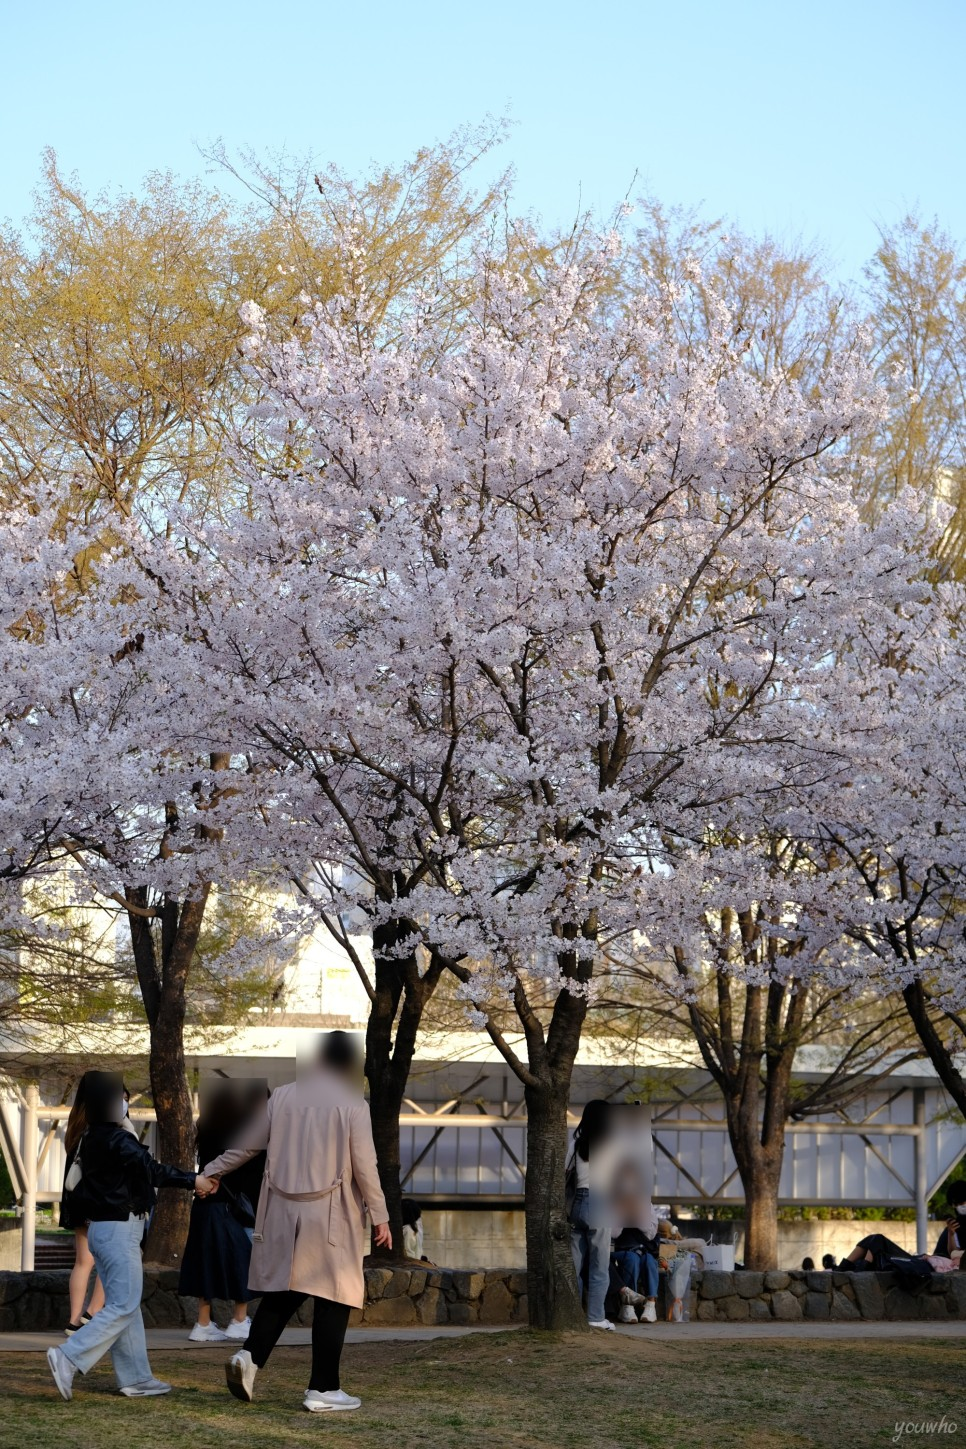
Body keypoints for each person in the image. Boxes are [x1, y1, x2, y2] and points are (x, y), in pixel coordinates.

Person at [201, 1031, 391, 1414]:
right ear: (349, 1063)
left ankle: (249, 1356)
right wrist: (381, 1215)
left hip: (283, 1212)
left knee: (285, 1291)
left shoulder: (283, 1096)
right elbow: (365, 1167)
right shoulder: (353, 1104)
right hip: (332, 1213)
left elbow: (248, 1144)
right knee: (335, 1296)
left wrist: (212, 1171)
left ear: (319, 1059)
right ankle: (323, 1388)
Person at [46, 1070, 212, 1402]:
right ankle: (68, 1356)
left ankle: (136, 1378)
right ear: (109, 1102)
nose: (125, 1100)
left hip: (104, 1230)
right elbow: (153, 1171)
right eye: (120, 1095)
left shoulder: (89, 1136)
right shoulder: (117, 1139)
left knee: (127, 1305)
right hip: (120, 1228)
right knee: (123, 1304)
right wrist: (195, 1181)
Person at [179, 1080, 267, 1343]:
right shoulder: (241, 1129)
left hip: (204, 1203)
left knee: (204, 1262)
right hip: (233, 1207)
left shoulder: (204, 1127)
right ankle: (239, 1320)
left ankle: (202, 1324)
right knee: (244, 1261)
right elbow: (243, 1169)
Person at [567, 1100, 614, 1330]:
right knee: (599, 1266)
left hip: (577, 1204)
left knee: (573, 1267)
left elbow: (566, 1173)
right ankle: (595, 1318)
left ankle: (571, 1315)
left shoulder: (576, 1144)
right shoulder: (611, 1145)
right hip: (600, 1203)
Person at [933, 1182, 966, 1258]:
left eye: (961, 1203)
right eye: (955, 1204)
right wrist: (951, 1234)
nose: (959, 1207)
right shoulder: (955, 1226)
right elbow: (954, 1254)